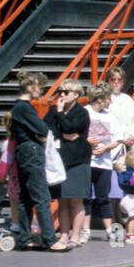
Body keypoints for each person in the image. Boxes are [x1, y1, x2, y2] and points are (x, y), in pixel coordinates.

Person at [9, 72, 69, 252]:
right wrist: (39, 135)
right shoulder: (25, 108)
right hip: (32, 152)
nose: (41, 91)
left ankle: (25, 238)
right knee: (42, 196)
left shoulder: (18, 108)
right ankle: (50, 239)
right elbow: (42, 129)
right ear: (30, 86)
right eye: (40, 87)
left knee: (26, 198)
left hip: (24, 152)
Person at [45, 79, 91, 247]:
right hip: (60, 160)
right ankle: (64, 235)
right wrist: (62, 132)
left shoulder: (82, 113)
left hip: (78, 159)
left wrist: (60, 117)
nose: (62, 95)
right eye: (60, 92)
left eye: (66, 92)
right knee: (62, 200)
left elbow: (72, 127)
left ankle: (76, 236)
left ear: (76, 95)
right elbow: (47, 128)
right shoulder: (53, 110)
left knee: (76, 200)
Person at [87, 83, 124, 246]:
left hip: (104, 162)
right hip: (87, 161)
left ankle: (111, 231)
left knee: (104, 197)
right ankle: (85, 230)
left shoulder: (110, 116)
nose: (110, 101)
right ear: (100, 99)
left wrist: (106, 147)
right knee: (85, 197)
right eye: (108, 98)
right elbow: (78, 132)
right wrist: (86, 140)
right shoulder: (85, 112)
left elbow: (118, 138)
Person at [104, 67, 134, 152]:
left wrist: (132, 135)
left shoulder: (127, 99)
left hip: (131, 144)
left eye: (119, 80)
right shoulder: (105, 100)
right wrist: (124, 138)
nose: (116, 82)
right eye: (113, 79)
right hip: (114, 147)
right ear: (108, 81)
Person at [0, 114, 21, 234]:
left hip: (15, 178)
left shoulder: (8, 143)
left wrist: (1, 178)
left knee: (14, 201)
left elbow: (5, 163)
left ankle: (16, 224)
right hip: (29, 177)